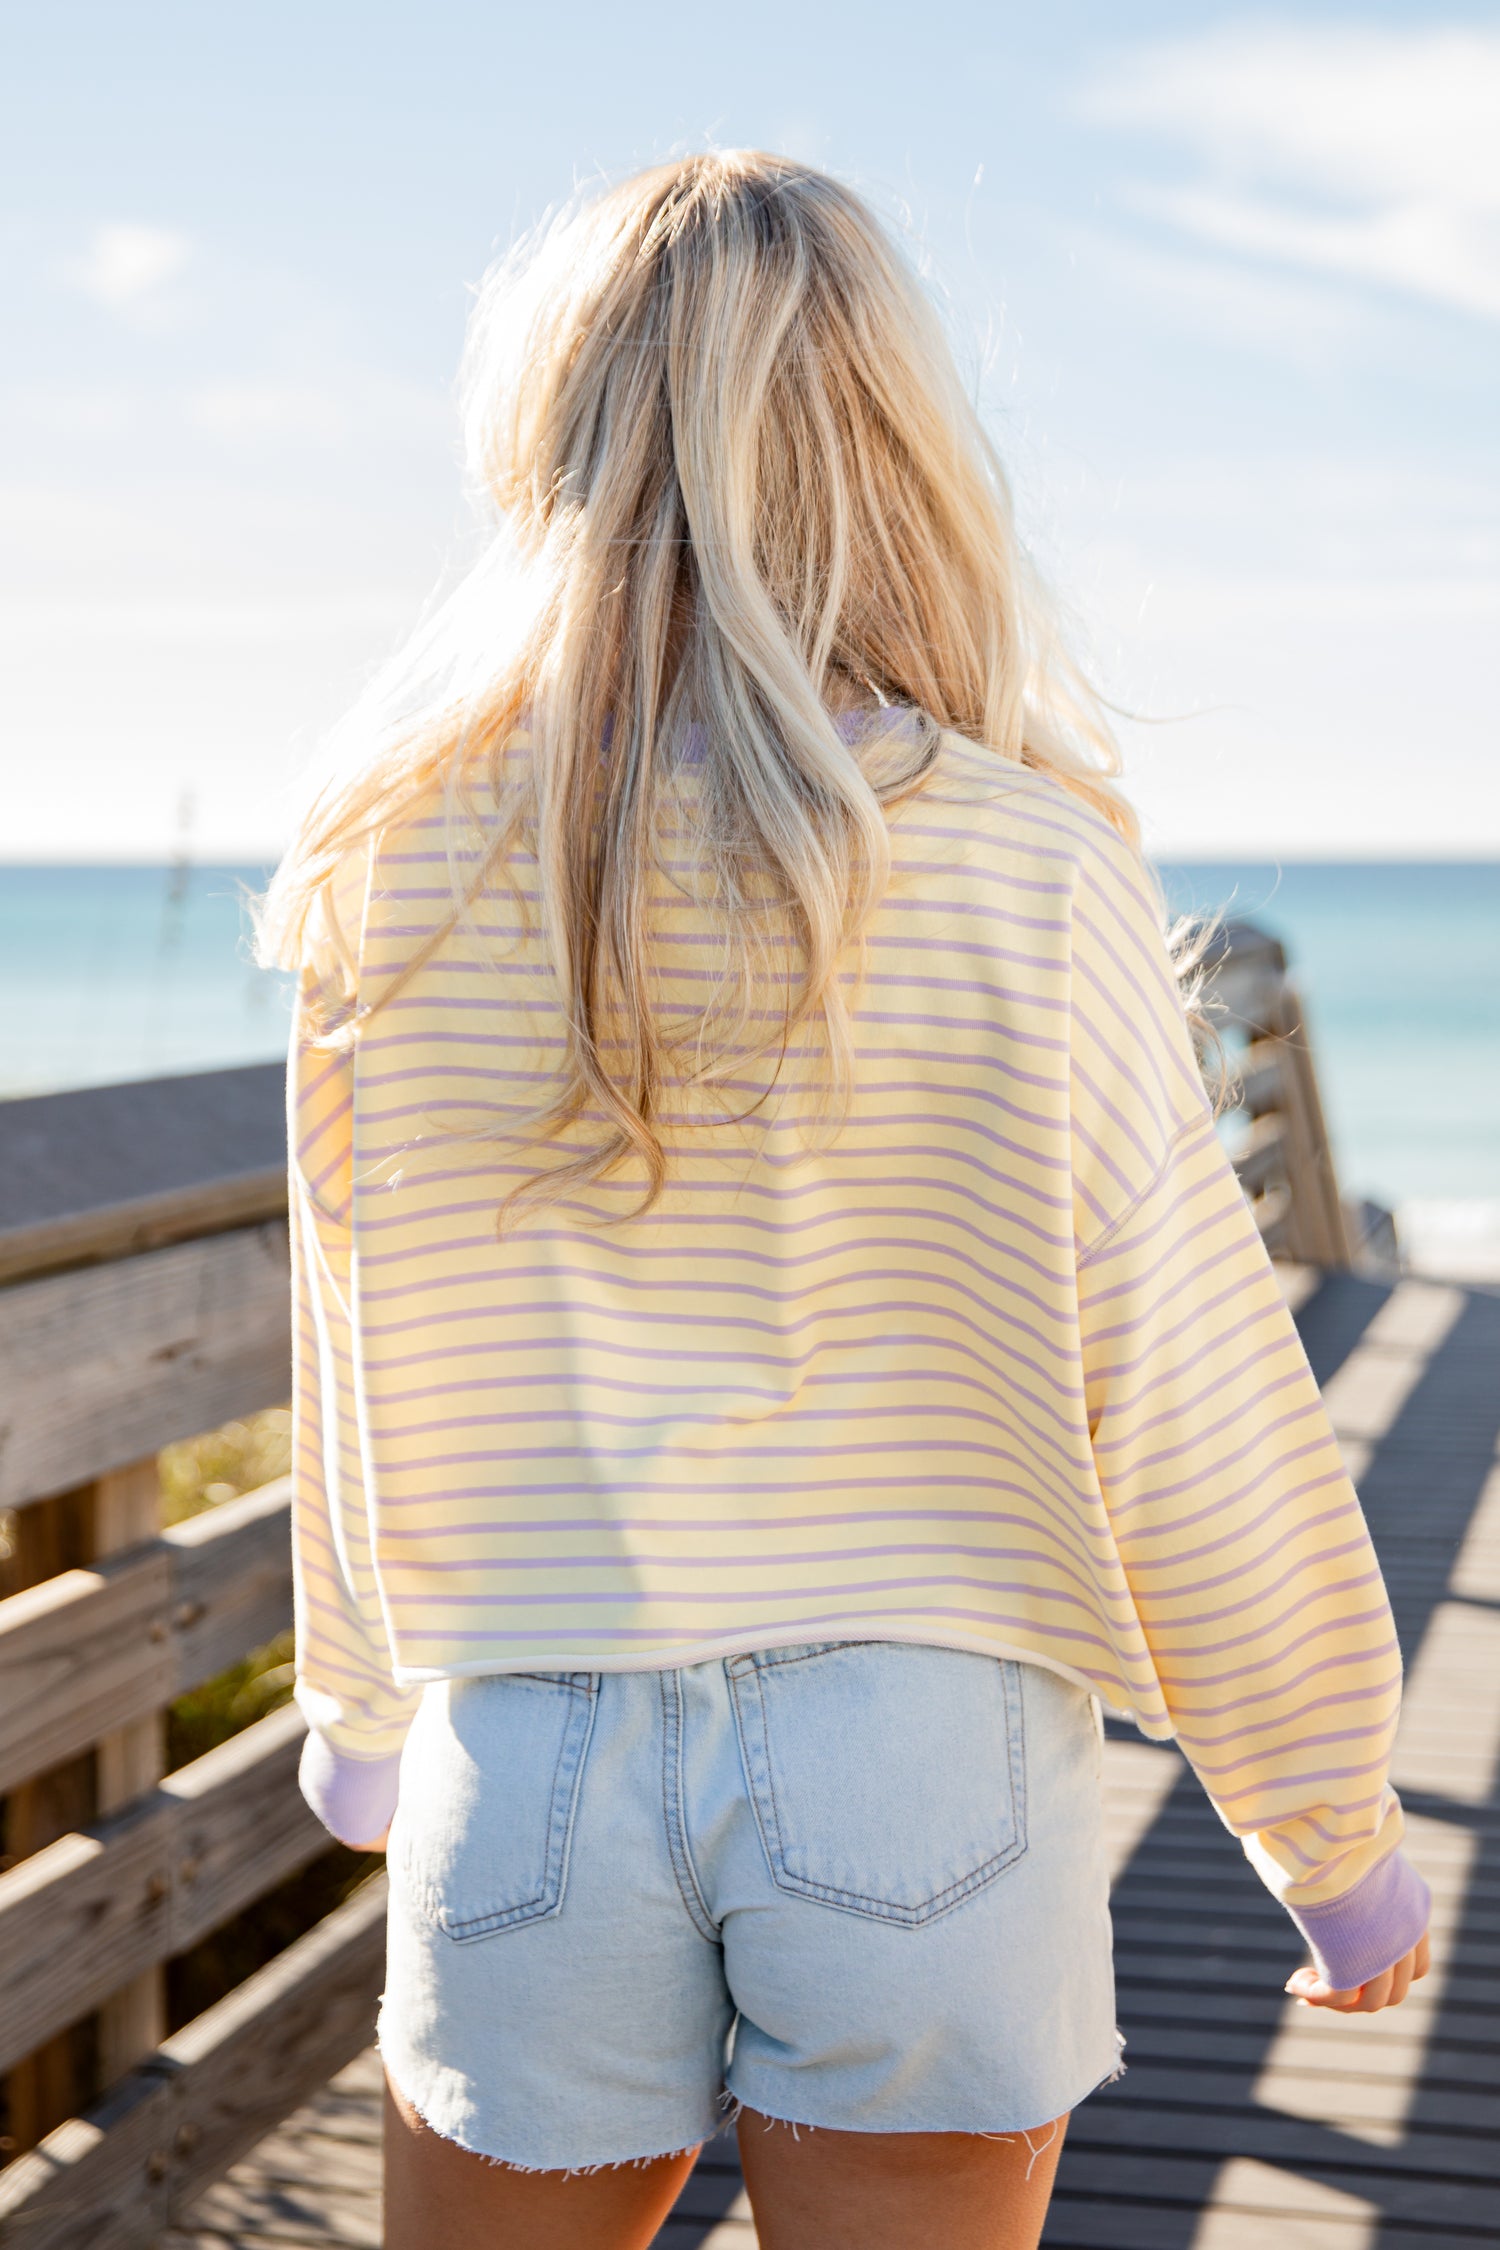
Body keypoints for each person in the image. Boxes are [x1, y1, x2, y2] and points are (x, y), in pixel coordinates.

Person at [261, 151, 1431, 2250]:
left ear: (556, 434)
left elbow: (363, 1341)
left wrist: (355, 1711)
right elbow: (1178, 1379)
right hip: (929, 1754)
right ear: (895, 446)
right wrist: (1325, 1820)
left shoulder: (392, 865)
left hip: (523, 1745)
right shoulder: (1022, 858)